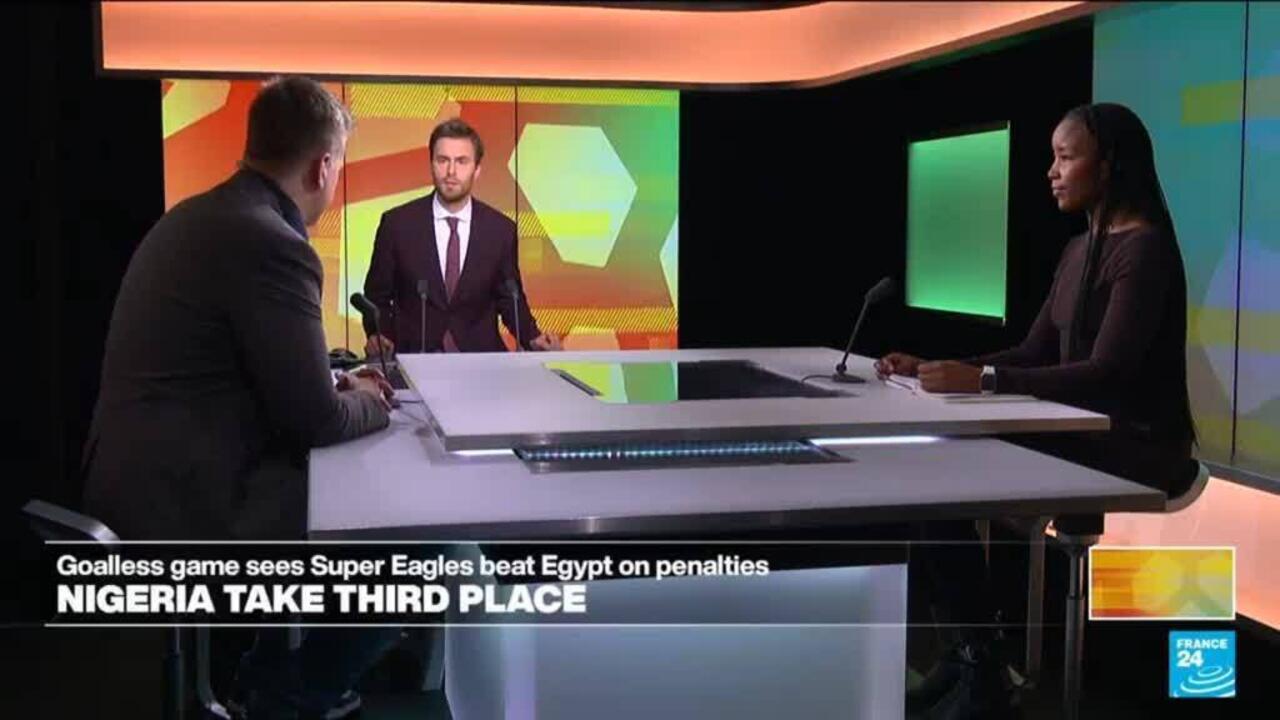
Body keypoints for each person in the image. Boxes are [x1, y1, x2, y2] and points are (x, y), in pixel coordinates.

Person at [83, 76, 398, 718]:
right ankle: (290, 696)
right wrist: (373, 399)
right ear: (323, 166)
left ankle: (267, 678)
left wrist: (330, 382)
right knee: (430, 551)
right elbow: (316, 421)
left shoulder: (201, 215)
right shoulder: (271, 241)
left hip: (134, 488)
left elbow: (240, 375)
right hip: (188, 514)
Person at [880, 103, 1197, 718]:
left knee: (938, 469)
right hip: (1079, 432)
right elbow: (1033, 352)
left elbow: (1107, 374)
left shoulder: (1145, 251)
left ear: (1109, 165)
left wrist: (984, 381)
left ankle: (982, 664)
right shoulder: (1079, 249)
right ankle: (974, 653)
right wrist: (934, 367)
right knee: (925, 468)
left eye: (1066, 157)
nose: (1052, 171)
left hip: (1135, 447)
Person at [363, 118, 561, 355]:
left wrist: (533, 339)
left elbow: (510, 299)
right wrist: (379, 335)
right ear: (431, 164)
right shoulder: (397, 225)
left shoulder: (500, 231)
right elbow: (376, 296)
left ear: (477, 170)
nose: (451, 171)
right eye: (443, 160)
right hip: (415, 358)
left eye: (461, 161)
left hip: (481, 362)